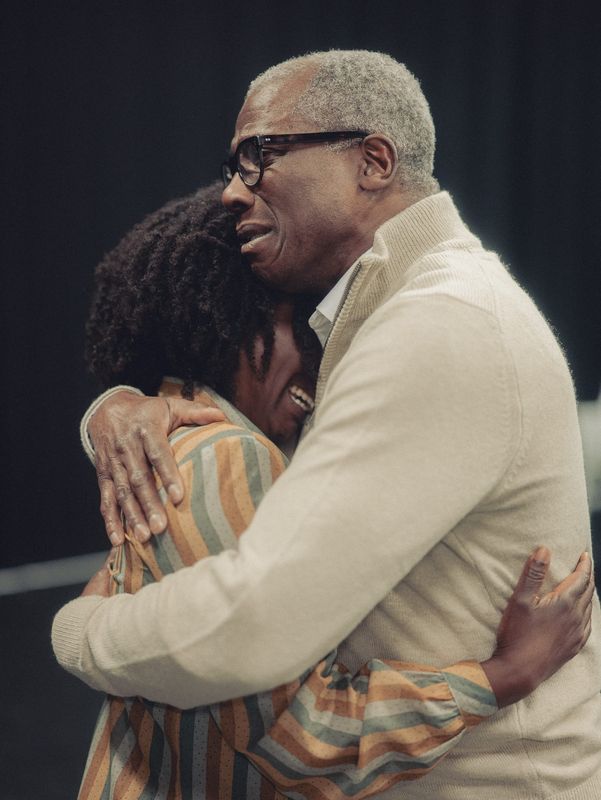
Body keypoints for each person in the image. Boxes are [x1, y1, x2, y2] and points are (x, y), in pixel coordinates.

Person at [53, 51, 601, 799]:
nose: (232, 191)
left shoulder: (439, 323)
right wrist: (114, 405)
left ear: (372, 161)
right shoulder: (397, 312)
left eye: (260, 155)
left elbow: (253, 626)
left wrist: (79, 632)